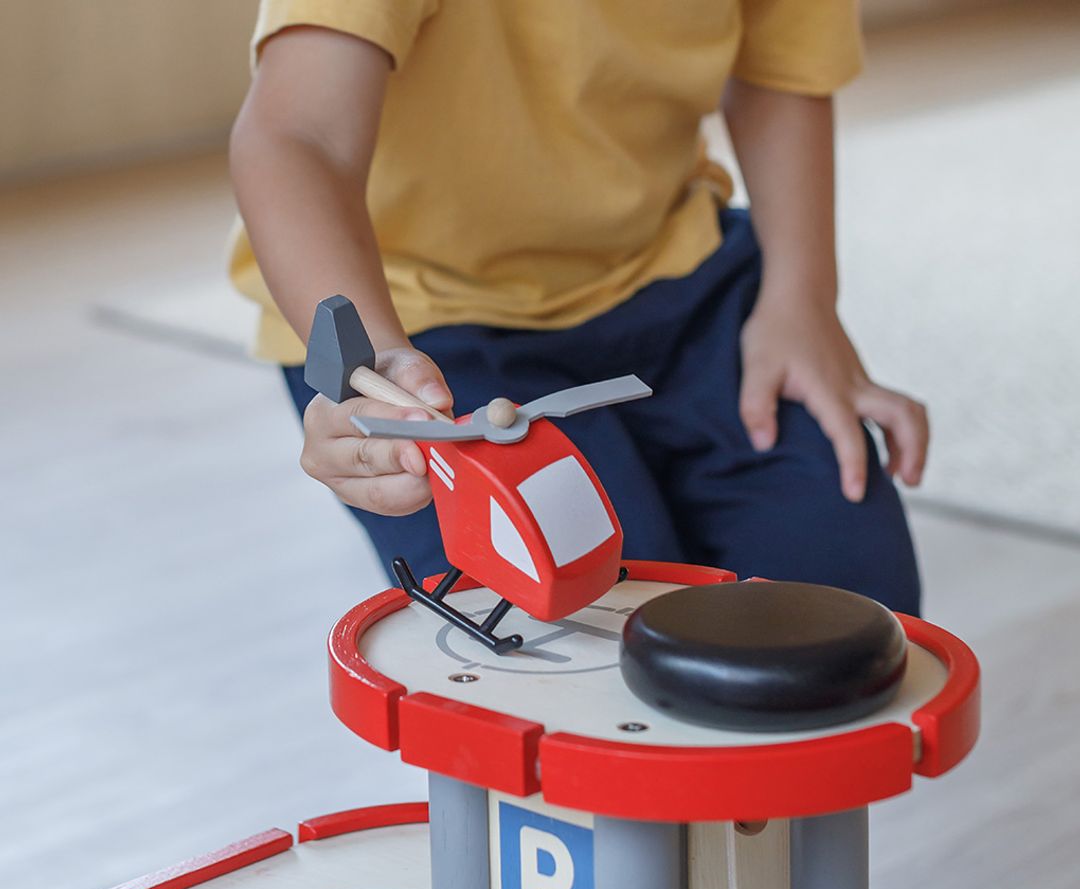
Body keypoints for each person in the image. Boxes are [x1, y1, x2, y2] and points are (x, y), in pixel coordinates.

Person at [228, 0, 928, 615]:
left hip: (677, 275)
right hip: (423, 325)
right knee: (585, 627)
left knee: (853, 620)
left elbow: (782, 69)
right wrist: (378, 365)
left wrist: (803, 298)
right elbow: (299, 137)